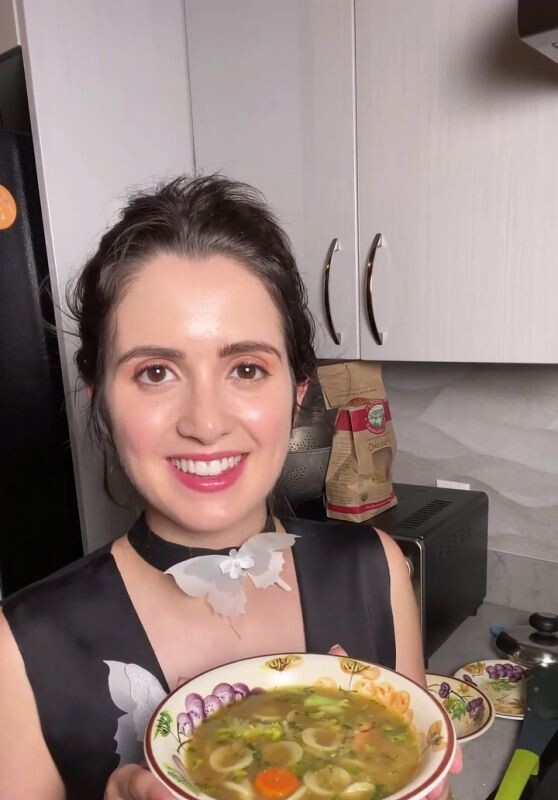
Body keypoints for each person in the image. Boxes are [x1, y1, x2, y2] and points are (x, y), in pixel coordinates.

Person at [0, 176, 460, 800]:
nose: (206, 422)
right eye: (155, 372)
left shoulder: (374, 568)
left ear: (297, 394)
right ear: (101, 401)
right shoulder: (20, 648)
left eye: (246, 368)